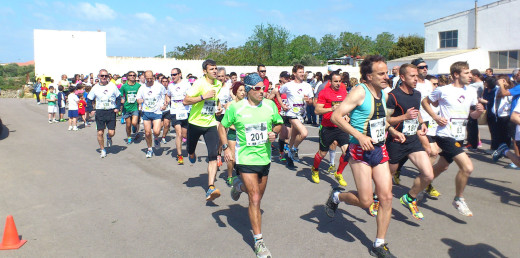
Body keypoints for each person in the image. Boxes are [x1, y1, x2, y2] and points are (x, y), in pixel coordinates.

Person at [325, 55, 404, 258]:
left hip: (379, 149)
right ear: (369, 76)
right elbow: (336, 116)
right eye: (381, 73)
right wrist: (359, 136)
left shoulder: (384, 95)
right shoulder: (360, 91)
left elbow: (380, 121)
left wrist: (393, 132)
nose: (386, 77)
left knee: (386, 197)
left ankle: (379, 243)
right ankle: (337, 196)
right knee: (367, 202)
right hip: (360, 151)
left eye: (387, 72)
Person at [218, 73, 283, 258]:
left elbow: (278, 124)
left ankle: (238, 186)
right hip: (245, 159)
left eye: (264, 88)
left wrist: (274, 133)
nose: (262, 91)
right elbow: (222, 127)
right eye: (258, 88)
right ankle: (259, 241)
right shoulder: (236, 108)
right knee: (254, 198)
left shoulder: (270, 105)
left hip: (264, 159)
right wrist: (225, 148)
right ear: (248, 89)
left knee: (257, 196)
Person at [421, 61, 485, 217]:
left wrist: (479, 111)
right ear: (456, 74)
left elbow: (472, 115)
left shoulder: (471, 92)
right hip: (445, 134)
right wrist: (435, 117)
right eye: (467, 73)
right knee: (467, 167)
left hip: (459, 136)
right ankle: (458, 199)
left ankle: (421, 185)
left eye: (470, 73)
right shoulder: (443, 90)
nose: (470, 76)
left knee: (442, 166)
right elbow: (425, 102)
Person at [372, 63, 433, 221]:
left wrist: (422, 123)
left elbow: (416, 112)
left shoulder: (417, 94)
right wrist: (404, 117)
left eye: (417, 76)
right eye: (412, 76)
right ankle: (376, 198)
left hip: (413, 140)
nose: (416, 79)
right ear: (403, 77)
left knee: (428, 174)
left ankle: (409, 198)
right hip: (396, 141)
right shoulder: (393, 96)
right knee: (388, 176)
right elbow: (386, 120)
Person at [183, 59, 223, 201]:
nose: (214, 71)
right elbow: (186, 100)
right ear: (205, 71)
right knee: (190, 151)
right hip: (195, 123)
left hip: (210, 123)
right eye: (211, 69)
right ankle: (191, 153)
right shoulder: (199, 83)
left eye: (215, 68)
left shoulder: (218, 84)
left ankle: (210, 187)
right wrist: (202, 97)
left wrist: (218, 107)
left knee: (213, 155)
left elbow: (215, 99)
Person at [311, 71, 349, 186]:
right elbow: (317, 111)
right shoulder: (324, 93)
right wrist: (331, 108)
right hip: (327, 127)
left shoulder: (344, 92)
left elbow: (345, 107)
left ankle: (339, 173)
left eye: (339, 81)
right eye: (335, 81)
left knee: (347, 152)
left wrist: (346, 115)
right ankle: (315, 169)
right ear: (330, 82)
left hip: (340, 126)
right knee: (322, 153)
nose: (338, 84)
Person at [276, 64, 314, 163]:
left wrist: (308, 101)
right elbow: (277, 93)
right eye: (300, 72)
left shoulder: (307, 86)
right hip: (291, 113)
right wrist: (282, 105)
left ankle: (289, 156)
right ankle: (294, 149)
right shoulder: (288, 85)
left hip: (302, 114)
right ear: (294, 73)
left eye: (303, 72)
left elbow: (311, 102)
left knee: (293, 136)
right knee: (304, 133)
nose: (302, 74)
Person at [86, 69, 122, 158]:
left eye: (106, 76)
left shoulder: (112, 86)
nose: (104, 77)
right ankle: (102, 149)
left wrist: (117, 108)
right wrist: (91, 110)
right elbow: (89, 99)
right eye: (102, 76)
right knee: (100, 133)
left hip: (111, 111)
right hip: (100, 111)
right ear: (99, 76)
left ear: (108, 77)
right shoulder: (95, 87)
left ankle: (109, 137)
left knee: (111, 132)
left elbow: (118, 98)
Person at [136, 70, 168, 158]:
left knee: (156, 131)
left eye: (151, 78)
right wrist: (139, 101)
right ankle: (149, 149)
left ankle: (156, 139)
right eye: (147, 78)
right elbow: (138, 98)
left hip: (157, 111)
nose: (149, 80)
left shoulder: (159, 86)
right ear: (144, 78)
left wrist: (165, 105)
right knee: (147, 133)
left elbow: (166, 95)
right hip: (146, 112)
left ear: (153, 77)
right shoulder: (142, 87)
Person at [222, 81, 246, 186]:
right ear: (235, 91)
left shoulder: (247, 104)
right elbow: (226, 123)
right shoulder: (230, 105)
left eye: (244, 90)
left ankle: (242, 174)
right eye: (240, 90)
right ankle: (230, 176)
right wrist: (236, 127)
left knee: (242, 156)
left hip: (244, 134)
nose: (243, 93)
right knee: (232, 157)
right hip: (233, 133)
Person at [166, 68, 191, 165]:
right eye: (172, 74)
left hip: (185, 111)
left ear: (180, 74)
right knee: (179, 134)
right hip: (175, 111)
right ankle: (180, 156)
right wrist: (167, 101)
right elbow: (168, 95)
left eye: (175, 74)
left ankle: (189, 149)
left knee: (184, 134)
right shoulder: (170, 85)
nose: (173, 76)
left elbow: (191, 95)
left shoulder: (186, 84)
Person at [119, 71, 142, 144]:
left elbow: (142, 94)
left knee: (134, 123)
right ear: (128, 77)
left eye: (134, 75)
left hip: (135, 107)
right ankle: (129, 137)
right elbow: (121, 95)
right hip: (127, 107)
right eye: (130, 75)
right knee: (128, 125)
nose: (132, 76)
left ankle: (135, 128)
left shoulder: (138, 86)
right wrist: (122, 100)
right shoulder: (124, 86)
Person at [160, 77, 171, 144]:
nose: (165, 83)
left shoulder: (170, 89)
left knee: (166, 124)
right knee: (160, 126)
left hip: (168, 109)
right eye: (163, 81)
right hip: (159, 110)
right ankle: (156, 135)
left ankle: (163, 137)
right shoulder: (158, 89)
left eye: (166, 81)